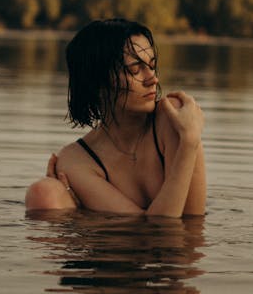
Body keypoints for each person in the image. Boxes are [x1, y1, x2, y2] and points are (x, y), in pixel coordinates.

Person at [25, 18, 206, 217]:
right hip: (117, 244)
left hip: (169, 245)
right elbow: (152, 228)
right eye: (134, 69)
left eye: (152, 65)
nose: (152, 79)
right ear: (97, 82)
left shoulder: (175, 118)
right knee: (44, 192)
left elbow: (192, 225)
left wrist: (189, 142)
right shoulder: (78, 159)